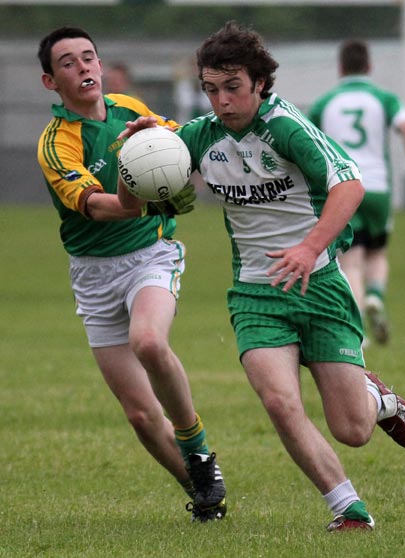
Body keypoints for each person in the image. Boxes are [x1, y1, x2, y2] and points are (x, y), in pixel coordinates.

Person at [118, 21, 405, 532]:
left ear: (260, 83)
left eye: (233, 87)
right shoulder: (199, 137)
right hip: (256, 294)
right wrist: (137, 162)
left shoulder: (287, 128)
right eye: (211, 89)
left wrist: (308, 247)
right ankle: (348, 509)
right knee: (280, 401)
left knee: (352, 429)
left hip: (320, 284)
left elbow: (349, 185)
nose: (222, 101)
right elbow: (132, 204)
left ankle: (379, 399)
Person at [36, 26, 226, 523]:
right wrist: (132, 188)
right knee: (141, 416)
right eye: (68, 63)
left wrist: (166, 157)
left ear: (100, 65)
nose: (83, 68)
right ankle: (203, 491)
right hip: (94, 277)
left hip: (150, 255)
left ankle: (198, 447)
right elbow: (100, 208)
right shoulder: (56, 144)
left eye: (89, 58)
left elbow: (173, 146)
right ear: (50, 82)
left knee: (148, 341)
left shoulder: (127, 108)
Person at [309, 39, 405, 345]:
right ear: (369, 66)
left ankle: (358, 322)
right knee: (378, 251)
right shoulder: (384, 98)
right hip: (377, 187)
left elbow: (306, 142)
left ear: (340, 67)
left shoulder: (324, 102)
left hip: (341, 187)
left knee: (351, 260)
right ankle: (375, 295)